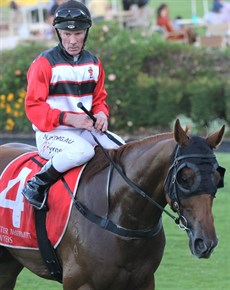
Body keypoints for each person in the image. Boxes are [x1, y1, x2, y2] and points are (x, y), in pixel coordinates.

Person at [22, 0, 124, 210]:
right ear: (58, 32)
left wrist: (102, 114)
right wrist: (67, 118)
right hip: (50, 134)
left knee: (121, 149)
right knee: (83, 152)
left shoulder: (94, 62)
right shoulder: (43, 63)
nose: (72, 40)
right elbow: (33, 107)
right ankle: (37, 183)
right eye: (66, 34)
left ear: (86, 32)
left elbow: (99, 100)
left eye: (78, 33)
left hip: (84, 129)